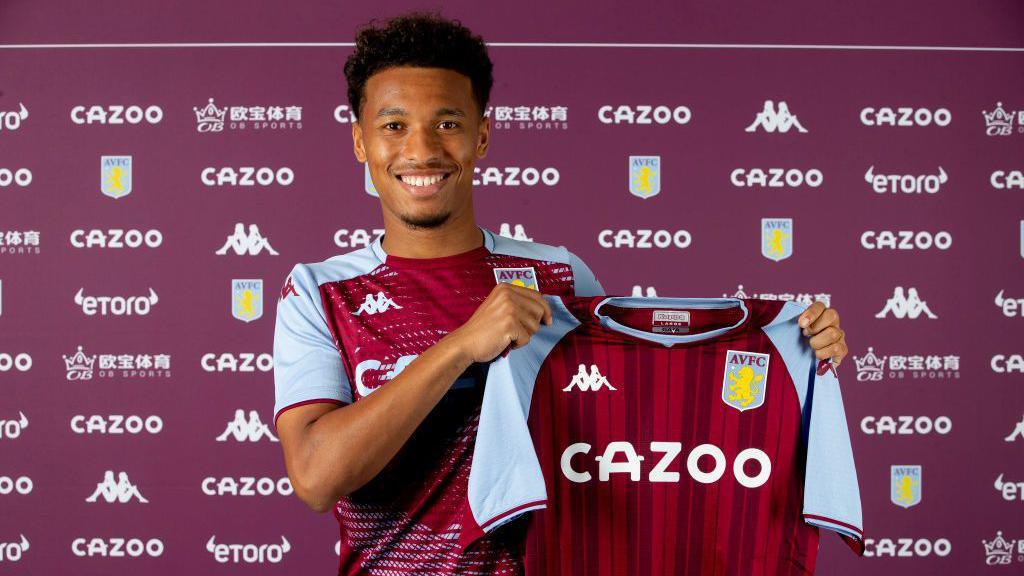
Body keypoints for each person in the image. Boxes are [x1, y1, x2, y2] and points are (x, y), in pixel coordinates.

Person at [272, 11, 849, 575]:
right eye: (394, 125)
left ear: (482, 135)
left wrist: (791, 348)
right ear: (360, 141)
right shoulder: (320, 291)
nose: (421, 151)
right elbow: (319, 478)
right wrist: (460, 347)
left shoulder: (559, 277)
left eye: (447, 123)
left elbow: (656, 414)